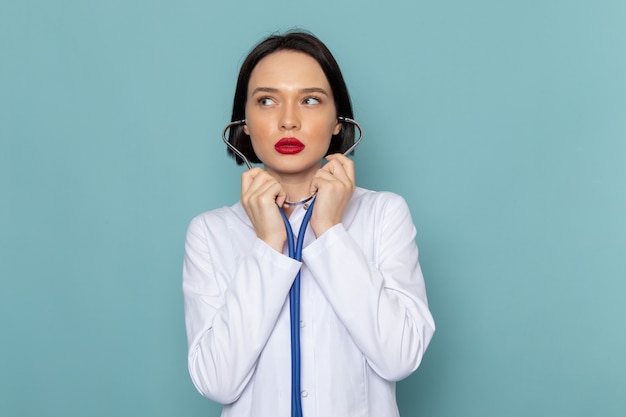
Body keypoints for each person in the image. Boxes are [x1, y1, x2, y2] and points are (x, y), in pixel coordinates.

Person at [182, 30, 435, 417]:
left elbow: (400, 356)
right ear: (244, 122)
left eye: (310, 100)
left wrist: (331, 231)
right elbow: (217, 380)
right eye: (267, 100)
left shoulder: (384, 215)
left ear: (338, 121)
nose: (288, 121)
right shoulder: (210, 233)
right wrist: (268, 243)